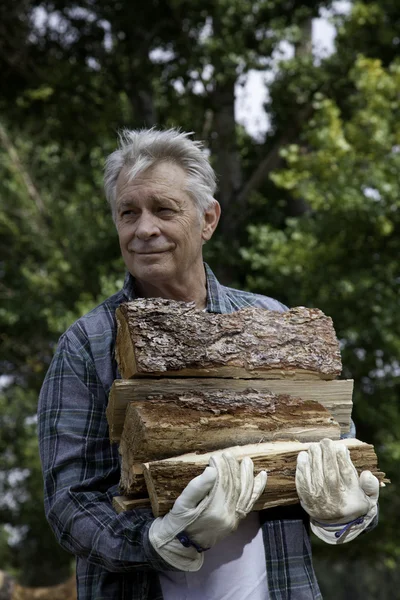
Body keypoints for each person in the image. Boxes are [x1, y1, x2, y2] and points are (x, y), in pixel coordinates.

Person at [38, 128, 379, 600]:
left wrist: (347, 511)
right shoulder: (87, 345)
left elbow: (340, 453)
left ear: (208, 219)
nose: (143, 229)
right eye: (128, 213)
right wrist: (155, 539)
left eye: (164, 209)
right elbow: (68, 503)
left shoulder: (274, 322)